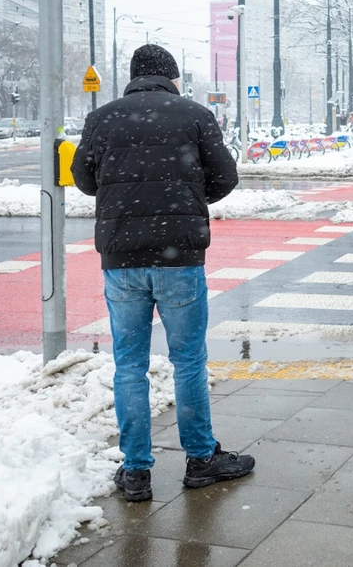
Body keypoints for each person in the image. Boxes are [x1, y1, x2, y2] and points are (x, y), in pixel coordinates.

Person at [72, 44, 255, 502]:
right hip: (181, 259)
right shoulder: (193, 115)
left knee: (129, 365)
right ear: (172, 76)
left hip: (122, 260)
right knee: (188, 359)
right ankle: (200, 459)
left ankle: (136, 471)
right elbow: (226, 177)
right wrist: (187, 203)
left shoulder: (103, 118)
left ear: (133, 78)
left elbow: (84, 179)